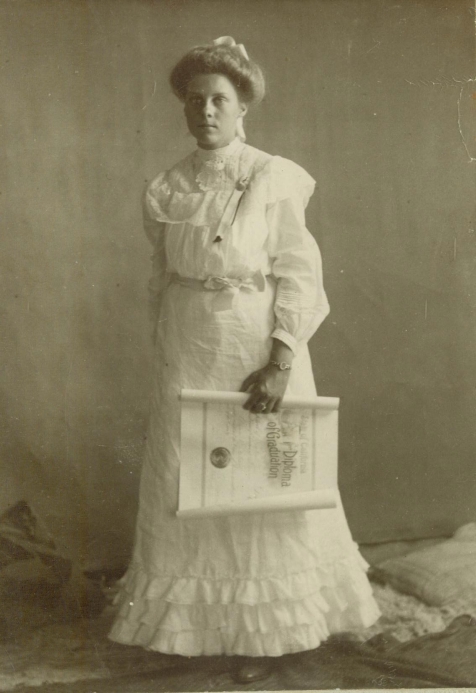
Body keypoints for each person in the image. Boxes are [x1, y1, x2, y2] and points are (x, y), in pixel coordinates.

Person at [109, 36, 380, 683]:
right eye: (194, 100)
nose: (206, 111)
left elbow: (299, 270)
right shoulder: (167, 187)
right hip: (189, 346)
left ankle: (271, 635)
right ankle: (201, 629)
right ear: (183, 107)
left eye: (219, 100)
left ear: (242, 107)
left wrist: (282, 358)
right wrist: (167, 351)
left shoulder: (270, 176)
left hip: (255, 341)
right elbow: (160, 276)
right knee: (190, 479)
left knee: (264, 481)